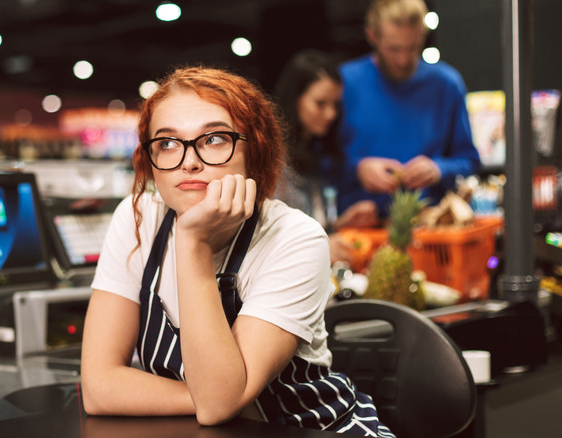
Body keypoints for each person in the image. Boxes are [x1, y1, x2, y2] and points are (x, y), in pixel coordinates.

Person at [81, 66, 394, 437]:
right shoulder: (136, 219)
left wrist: (192, 243)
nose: (188, 160)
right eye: (166, 143)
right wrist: (211, 396)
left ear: (255, 149)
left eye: (214, 139)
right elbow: (99, 389)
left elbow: (217, 406)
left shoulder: (295, 238)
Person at [336, 0, 481, 219]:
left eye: (412, 48)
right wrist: (357, 169)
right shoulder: (344, 83)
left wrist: (438, 169)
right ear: (372, 36)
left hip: (429, 228)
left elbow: (470, 160)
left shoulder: (446, 85)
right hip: (358, 230)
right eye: (393, 48)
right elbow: (316, 162)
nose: (403, 60)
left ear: (422, 36)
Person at [273, 49, 380, 265]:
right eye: (320, 103)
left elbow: (309, 225)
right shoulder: (272, 159)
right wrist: (323, 246)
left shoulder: (315, 152)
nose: (331, 114)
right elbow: (269, 241)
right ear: (295, 98)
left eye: (335, 105)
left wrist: (341, 224)